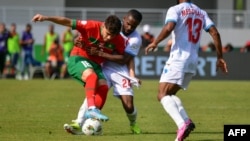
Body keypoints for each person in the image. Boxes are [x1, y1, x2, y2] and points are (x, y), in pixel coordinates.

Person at [144, 0, 228, 141]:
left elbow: (169, 26)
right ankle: (186, 121)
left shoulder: (175, 9)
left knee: (162, 94)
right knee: (170, 94)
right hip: (193, 60)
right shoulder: (201, 12)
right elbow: (215, 33)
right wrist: (220, 57)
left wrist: (155, 42)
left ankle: (181, 124)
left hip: (178, 59)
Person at [32, 14, 127, 126]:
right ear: (103, 26)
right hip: (78, 58)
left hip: (95, 64)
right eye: (108, 34)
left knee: (103, 87)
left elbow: (124, 58)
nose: (109, 38)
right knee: (92, 76)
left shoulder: (119, 39)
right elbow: (67, 22)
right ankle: (92, 109)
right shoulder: (91, 26)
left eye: (113, 36)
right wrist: (47, 18)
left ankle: (84, 125)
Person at [65, 9, 143, 135]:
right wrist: (78, 41)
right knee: (93, 89)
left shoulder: (135, 39)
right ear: (124, 19)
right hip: (104, 66)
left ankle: (133, 123)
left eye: (133, 26)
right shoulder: (110, 27)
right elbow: (90, 38)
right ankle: (79, 122)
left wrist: (132, 75)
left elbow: (126, 58)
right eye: (128, 24)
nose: (129, 27)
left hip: (120, 70)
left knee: (128, 104)